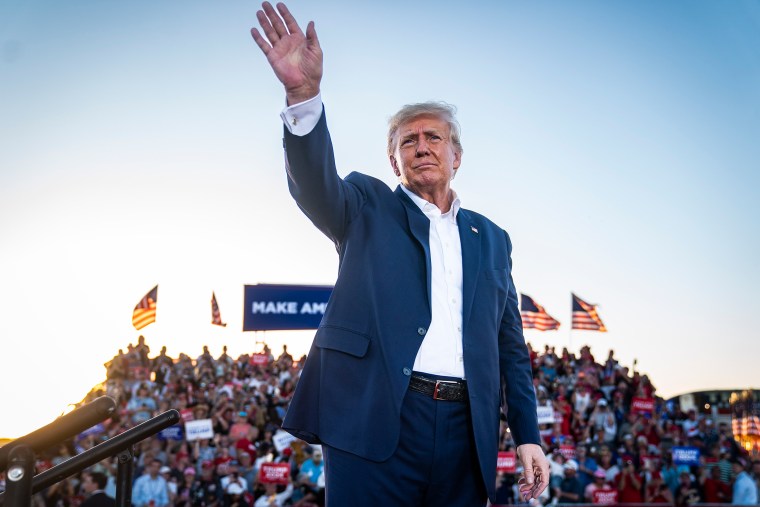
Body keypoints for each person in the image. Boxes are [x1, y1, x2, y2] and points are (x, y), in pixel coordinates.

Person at [250, 2, 549, 506]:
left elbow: (510, 349)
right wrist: (303, 95)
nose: (422, 146)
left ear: (457, 156)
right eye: (408, 141)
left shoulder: (493, 238)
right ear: (394, 160)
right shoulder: (366, 205)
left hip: (465, 432)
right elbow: (314, 188)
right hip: (375, 422)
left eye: (435, 137)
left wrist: (527, 433)